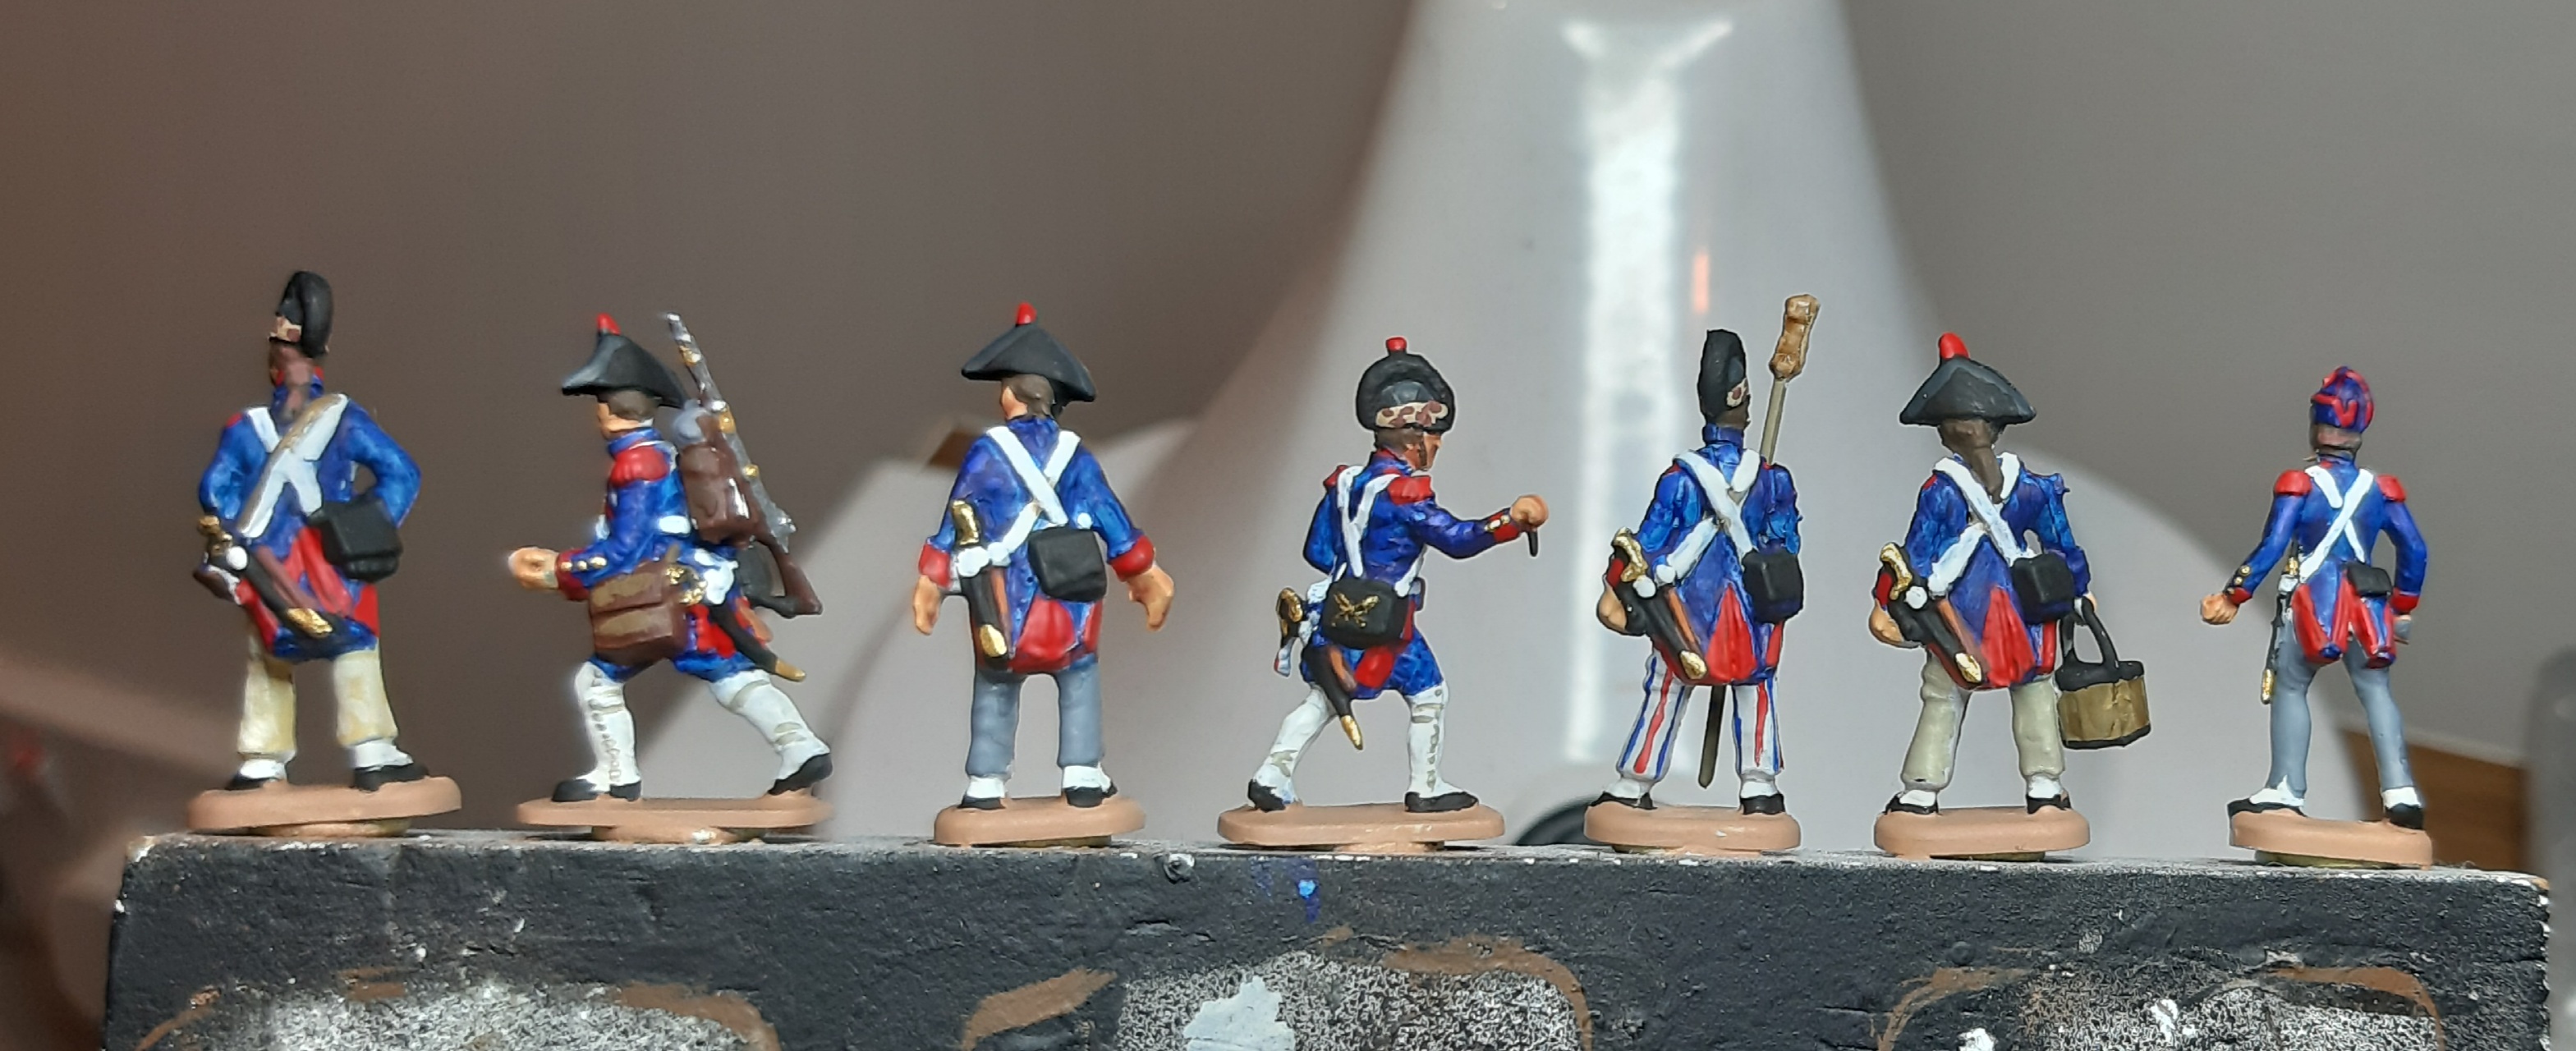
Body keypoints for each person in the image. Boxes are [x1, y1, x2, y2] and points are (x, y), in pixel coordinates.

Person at [509, 315, 830, 801]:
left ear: (610, 411)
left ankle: (617, 779)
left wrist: (560, 570)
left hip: (664, 592)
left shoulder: (637, 464)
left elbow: (626, 549)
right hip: (692, 590)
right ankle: (801, 748)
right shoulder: (656, 455)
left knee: (598, 681)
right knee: (731, 676)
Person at [1250, 337, 1546, 814]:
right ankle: (1425, 786)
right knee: (1430, 694)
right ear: (1413, 438)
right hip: (1386, 620)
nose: (1437, 445)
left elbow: (1317, 551)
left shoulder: (1344, 484)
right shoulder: (1407, 495)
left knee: (1321, 701)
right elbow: (1458, 540)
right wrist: (1510, 521)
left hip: (1335, 613)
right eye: (1433, 436)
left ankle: (1271, 775)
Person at [910, 304, 1174, 810]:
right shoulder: (1077, 455)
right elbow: (1111, 518)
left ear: (1011, 394)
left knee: (996, 682)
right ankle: (1083, 774)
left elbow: (954, 520)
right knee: (1079, 674)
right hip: (1067, 595)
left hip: (1002, 596)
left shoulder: (986, 453)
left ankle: (985, 782)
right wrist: (1143, 573)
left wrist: (932, 581)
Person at [195, 271, 425, 791]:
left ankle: (264, 759)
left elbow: (215, 489)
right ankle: (371, 751)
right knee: (352, 647)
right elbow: (401, 475)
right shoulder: (343, 419)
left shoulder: (250, 428)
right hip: (328, 557)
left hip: (275, 557)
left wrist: (239, 530)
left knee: (275, 654)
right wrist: (366, 525)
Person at [1868, 333, 2090, 815]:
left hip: (2008, 609)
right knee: (1952, 693)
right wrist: (1889, 603)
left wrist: (2077, 589)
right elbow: (1916, 556)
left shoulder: (2020, 490)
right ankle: (1928, 787)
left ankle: (2039, 783)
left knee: (2022, 692)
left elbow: (2060, 547)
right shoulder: (1949, 492)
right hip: (1962, 614)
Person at [2200, 366, 2429, 828]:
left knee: (2291, 686)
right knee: (2376, 692)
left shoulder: (2299, 484)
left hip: (2314, 601)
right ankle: (2401, 792)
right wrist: (2402, 607)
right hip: (2368, 604)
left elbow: (2272, 545)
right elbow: (2415, 549)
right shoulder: (2380, 491)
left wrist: (2235, 594)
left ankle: (2285, 789)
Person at [1596, 329, 1801, 813]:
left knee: (1666, 686)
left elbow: (1648, 544)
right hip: (1745, 610)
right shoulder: (1771, 479)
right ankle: (1760, 785)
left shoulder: (1678, 480)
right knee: (1754, 688)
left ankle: (1633, 783)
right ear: (1742, 403)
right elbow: (1787, 543)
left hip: (1686, 608)